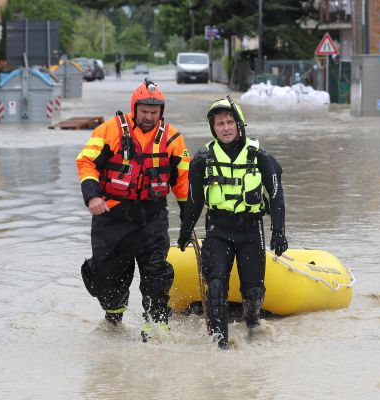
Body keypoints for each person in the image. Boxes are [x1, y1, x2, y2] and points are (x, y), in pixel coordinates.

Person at [76, 78, 190, 341]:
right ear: (134, 108)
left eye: (154, 112)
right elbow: (86, 162)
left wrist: (188, 215)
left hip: (151, 217)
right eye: (144, 112)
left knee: (156, 272)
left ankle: (156, 325)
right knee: (107, 277)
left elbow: (182, 181)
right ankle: (113, 320)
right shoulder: (110, 131)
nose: (149, 117)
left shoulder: (172, 138)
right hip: (111, 216)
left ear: (161, 112)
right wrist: (92, 197)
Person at [177, 96, 288, 349]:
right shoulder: (202, 159)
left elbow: (277, 195)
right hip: (218, 230)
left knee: (253, 291)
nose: (225, 128)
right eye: (219, 124)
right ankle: (221, 346)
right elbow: (194, 201)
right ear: (212, 128)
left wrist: (278, 232)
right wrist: (185, 232)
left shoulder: (260, 156)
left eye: (229, 122)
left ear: (239, 125)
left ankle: (253, 322)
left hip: (251, 230)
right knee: (215, 287)